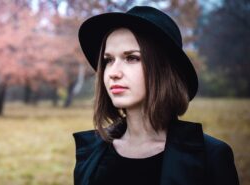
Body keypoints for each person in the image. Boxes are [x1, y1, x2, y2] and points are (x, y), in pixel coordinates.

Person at [73, 6, 239, 185]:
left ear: (164, 69)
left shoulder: (211, 157)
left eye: (132, 58)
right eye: (108, 60)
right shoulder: (91, 155)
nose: (113, 72)